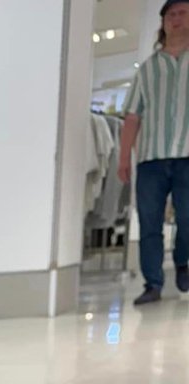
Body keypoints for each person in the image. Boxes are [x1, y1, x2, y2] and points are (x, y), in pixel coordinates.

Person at [119, 1, 189, 305]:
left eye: (183, 12)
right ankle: (153, 283)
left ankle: (183, 262)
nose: (176, 19)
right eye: (171, 14)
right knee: (149, 223)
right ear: (163, 23)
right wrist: (124, 158)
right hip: (150, 159)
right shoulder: (147, 68)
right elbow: (132, 115)